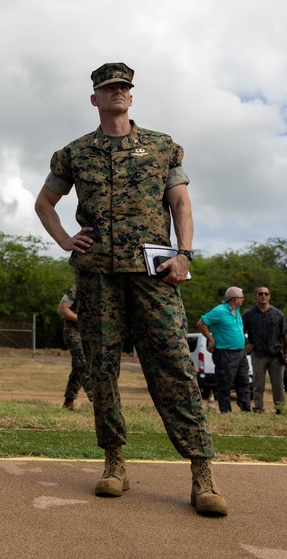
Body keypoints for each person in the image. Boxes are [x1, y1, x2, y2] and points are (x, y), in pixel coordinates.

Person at [34, 62, 227, 516]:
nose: (116, 93)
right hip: (97, 276)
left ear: (132, 96)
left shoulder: (162, 147)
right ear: (95, 98)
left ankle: (202, 473)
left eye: (123, 87)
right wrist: (65, 239)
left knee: (175, 367)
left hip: (154, 277)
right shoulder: (75, 153)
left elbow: (180, 201)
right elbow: (44, 203)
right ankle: (114, 464)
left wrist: (185, 254)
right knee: (102, 372)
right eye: (107, 88)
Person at [197, 288, 251, 413]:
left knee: (243, 381)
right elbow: (201, 323)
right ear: (235, 299)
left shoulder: (237, 310)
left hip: (240, 352)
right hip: (225, 353)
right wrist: (211, 339)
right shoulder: (219, 311)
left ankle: (245, 409)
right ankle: (225, 410)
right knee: (225, 383)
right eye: (242, 297)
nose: (243, 300)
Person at [243, 286, 287, 414]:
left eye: (266, 294)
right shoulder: (248, 314)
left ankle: (280, 409)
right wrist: (245, 343)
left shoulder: (277, 313)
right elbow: (238, 330)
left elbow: (285, 333)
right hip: (258, 354)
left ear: (269, 296)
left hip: (276, 354)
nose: (263, 296)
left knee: (278, 385)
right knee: (258, 385)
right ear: (255, 296)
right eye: (261, 294)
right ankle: (258, 408)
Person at [58, 283, 92, 409]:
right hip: (74, 332)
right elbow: (62, 309)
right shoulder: (76, 288)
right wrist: (82, 320)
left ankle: (68, 403)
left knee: (78, 369)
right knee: (83, 363)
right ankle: (97, 398)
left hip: (90, 334)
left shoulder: (102, 289)